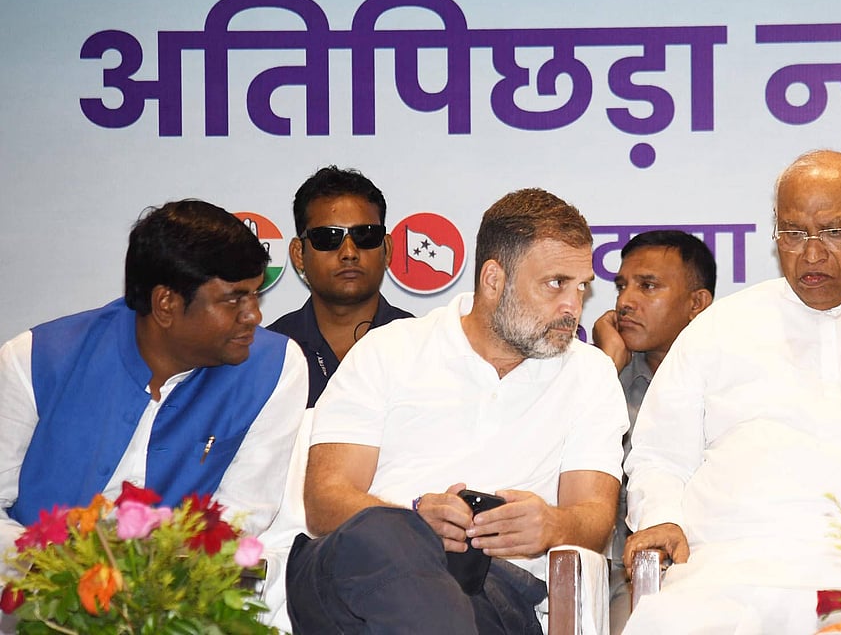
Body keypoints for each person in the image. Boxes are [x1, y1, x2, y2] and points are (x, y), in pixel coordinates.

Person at [620, 150, 841, 633]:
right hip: (726, 573)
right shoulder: (718, 328)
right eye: (793, 233)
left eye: (835, 231)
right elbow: (659, 455)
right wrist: (661, 517)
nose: (812, 254)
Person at [286, 188, 628, 634]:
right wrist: (414, 521)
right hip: (354, 573)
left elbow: (595, 516)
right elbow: (324, 500)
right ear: (493, 280)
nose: (573, 306)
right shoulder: (388, 350)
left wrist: (552, 524)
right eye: (555, 284)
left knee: (447, 599)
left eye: (581, 286)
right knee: (385, 535)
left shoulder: (590, 374)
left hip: (490, 588)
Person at [0, 199, 307, 557]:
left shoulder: (273, 367)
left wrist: (153, 580)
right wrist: (52, 572)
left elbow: (241, 517)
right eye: (234, 300)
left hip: (179, 584)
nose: (254, 315)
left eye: (255, 295)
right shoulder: (36, 359)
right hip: (40, 581)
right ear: (166, 304)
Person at [590, 230, 715, 630]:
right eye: (622, 286)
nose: (625, 301)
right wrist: (606, 365)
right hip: (621, 574)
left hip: (714, 565)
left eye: (647, 286)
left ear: (697, 304)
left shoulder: (731, 379)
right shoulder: (604, 378)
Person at [268, 165, 413, 408]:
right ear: (299, 254)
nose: (349, 253)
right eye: (328, 237)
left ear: (387, 249)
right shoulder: (270, 353)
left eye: (365, 235)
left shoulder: (423, 346)